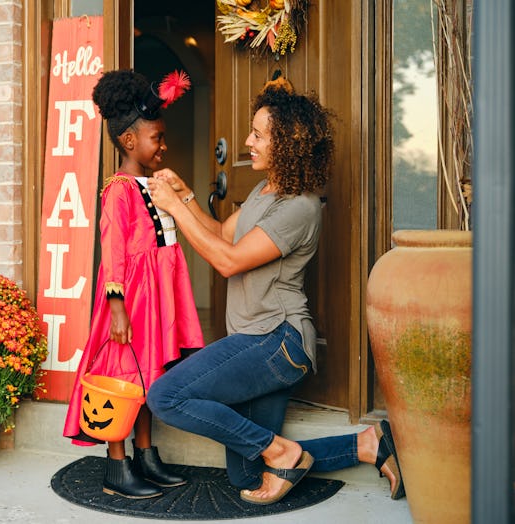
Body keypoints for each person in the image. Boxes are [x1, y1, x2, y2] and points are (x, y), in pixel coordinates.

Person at [145, 76, 405, 504]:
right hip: (255, 340)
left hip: (278, 342)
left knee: (166, 395)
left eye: (259, 135)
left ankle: (283, 451)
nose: (248, 141)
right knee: (245, 475)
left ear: (287, 143)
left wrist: (172, 208)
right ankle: (368, 444)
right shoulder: (264, 192)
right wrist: (187, 196)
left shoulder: (299, 207)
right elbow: (222, 236)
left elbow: (226, 261)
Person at [62, 68, 204, 500]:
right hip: (130, 301)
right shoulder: (118, 190)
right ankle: (116, 464)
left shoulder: (152, 184)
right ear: (129, 141)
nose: (163, 145)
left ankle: (145, 454)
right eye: (156, 138)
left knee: (148, 378)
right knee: (123, 378)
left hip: (155, 299)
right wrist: (119, 307)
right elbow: (114, 253)